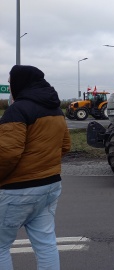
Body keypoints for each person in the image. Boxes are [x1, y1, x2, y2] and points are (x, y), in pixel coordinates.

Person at [0, 65, 71, 270]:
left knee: (1, 245)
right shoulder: (56, 110)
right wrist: (42, 165)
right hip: (49, 186)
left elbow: (7, 153)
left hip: (18, 191)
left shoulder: (18, 110)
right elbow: (65, 145)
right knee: (46, 243)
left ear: (19, 83)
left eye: (11, 81)